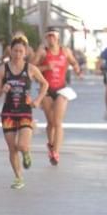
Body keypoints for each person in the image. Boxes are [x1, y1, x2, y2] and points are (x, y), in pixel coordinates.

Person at [0, 35, 49, 190]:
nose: (18, 54)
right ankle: (18, 177)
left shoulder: (31, 69)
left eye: (21, 51)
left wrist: (38, 100)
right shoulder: (2, 70)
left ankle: (26, 153)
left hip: (25, 112)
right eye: (15, 51)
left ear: (25, 53)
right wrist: (2, 90)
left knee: (22, 145)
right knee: (12, 148)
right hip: (8, 113)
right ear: (10, 52)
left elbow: (45, 84)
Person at [31, 29, 81, 165]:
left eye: (53, 36)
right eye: (48, 36)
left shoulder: (65, 51)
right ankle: (51, 144)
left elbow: (74, 62)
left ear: (58, 38)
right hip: (46, 90)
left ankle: (55, 152)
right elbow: (31, 68)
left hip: (61, 89)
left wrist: (77, 69)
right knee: (51, 122)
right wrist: (46, 67)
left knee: (58, 122)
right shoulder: (42, 52)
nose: (51, 39)